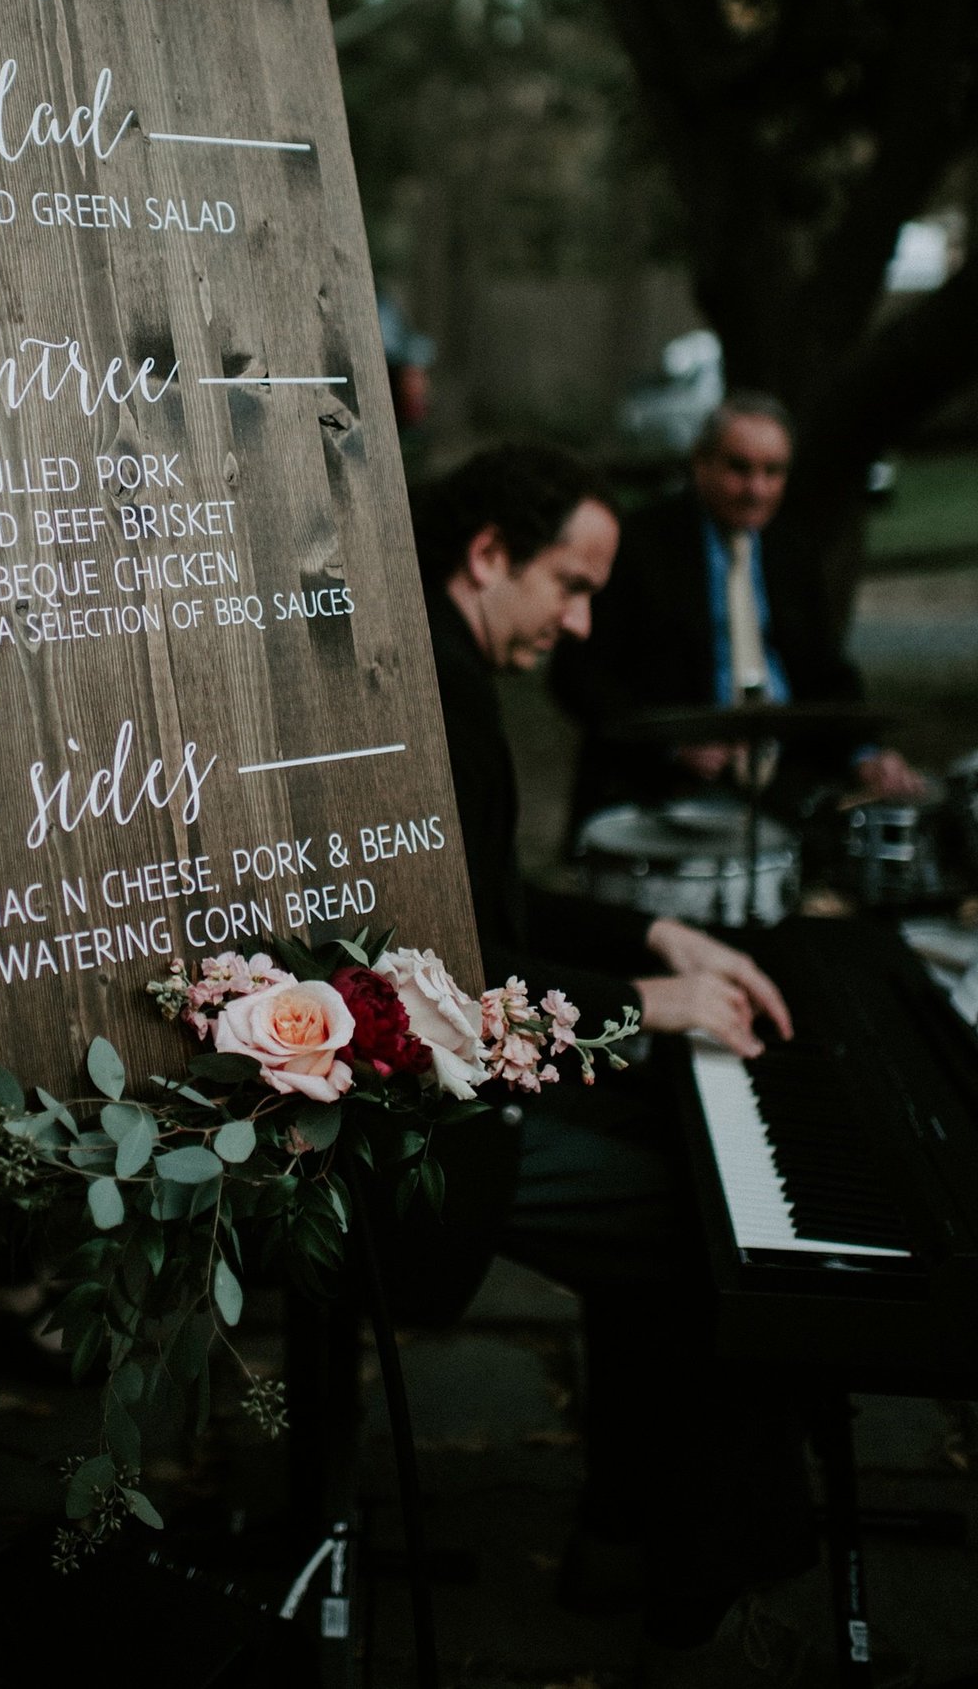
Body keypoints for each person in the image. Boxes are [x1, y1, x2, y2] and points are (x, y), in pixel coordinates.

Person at [411, 443, 816, 1679]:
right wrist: (653, 998)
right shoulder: (437, 695)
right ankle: (701, 1571)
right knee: (714, 1228)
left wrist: (652, 932)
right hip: (419, 1122)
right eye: (571, 587)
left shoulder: (443, 667)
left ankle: (628, 1532)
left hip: (460, 1058)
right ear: (488, 556)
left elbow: (490, 914)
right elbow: (464, 990)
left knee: (682, 1149)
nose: (583, 623)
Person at [550, 392, 923, 829]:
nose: (756, 490)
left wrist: (865, 754)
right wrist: (674, 744)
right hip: (660, 793)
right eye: (739, 468)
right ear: (700, 462)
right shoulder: (637, 546)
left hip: (784, 786)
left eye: (773, 472)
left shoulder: (792, 550)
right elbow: (577, 676)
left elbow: (826, 675)